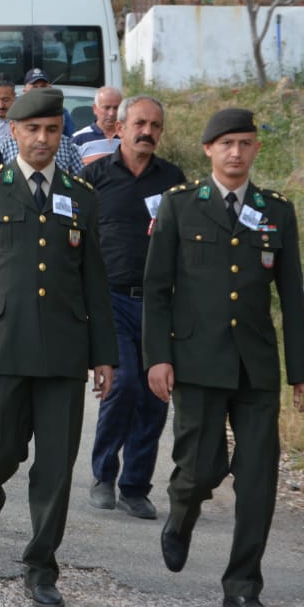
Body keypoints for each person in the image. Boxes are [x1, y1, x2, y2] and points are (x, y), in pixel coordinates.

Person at [143, 107, 304, 607]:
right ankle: (181, 514)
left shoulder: (277, 212)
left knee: (257, 478)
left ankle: (243, 584)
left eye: (245, 144)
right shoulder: (180, 207)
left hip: (255, 367)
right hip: (197, 361)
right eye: (226, 144)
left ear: (255, 150)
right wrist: (157, 357)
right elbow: (157, 291)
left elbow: (292, 297)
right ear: (208, 150)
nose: (236, 153)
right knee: (200, 469)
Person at [0, 88, 117, 607]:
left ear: (61, 134)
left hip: (64, 349)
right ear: (14, 133)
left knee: (55, 464)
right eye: (32, 130)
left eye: (52, 130)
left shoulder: (81, 195)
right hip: (1, 343)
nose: (42, 139)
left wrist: (103, 354)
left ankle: (42, 564)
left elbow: (94, 279)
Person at [81, 96, 186, 520]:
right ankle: (103, 474)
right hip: (109, 299)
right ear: (119, 128)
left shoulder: (174, 180)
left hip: (159, 303)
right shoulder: (94, 178)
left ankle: (136, 486)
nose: (147, 131)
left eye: (155, 125)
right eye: (139, 123)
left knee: (154, 395)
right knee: (122, 384)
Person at [72, 87, 123, 165]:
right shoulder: (78, 139)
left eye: (116, 108)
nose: (112, 113)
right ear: (95, 109)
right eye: (107, 108)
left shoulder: (128, 136)